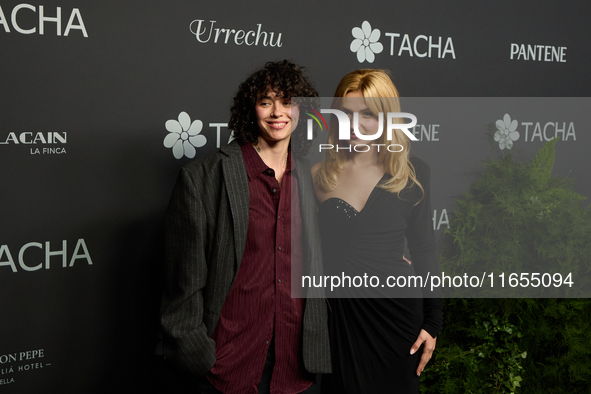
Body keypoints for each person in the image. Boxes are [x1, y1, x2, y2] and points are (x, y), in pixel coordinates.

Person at [161, 60, 331, 394]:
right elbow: (183, 284)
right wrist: (201, 356)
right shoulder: (204, 178)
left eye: (287, 102)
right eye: (266, 101)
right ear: (250, 110)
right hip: (227, 367)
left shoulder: (313, 179)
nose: (277, 112)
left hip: (297, 369)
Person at [311, 69, 443, 393]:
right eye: (346, 114)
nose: (354, 124)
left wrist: (433, 323)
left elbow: (424, 251)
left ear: (386, 117)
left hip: (399, 323)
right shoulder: (315, 175)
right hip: (341, 323)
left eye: (367, 114)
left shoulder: (412, 172)